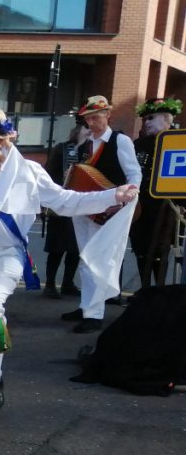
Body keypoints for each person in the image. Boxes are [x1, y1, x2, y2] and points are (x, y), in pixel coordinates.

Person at [0, 106, 138, 423]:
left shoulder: (27, 173)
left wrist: (114, 195)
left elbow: (67, 200)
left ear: (5, 139)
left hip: (6, 255)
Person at [62, 95, 142, 332]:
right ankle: (87, 306)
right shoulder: (87, 143)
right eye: (89, 118)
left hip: (109, 208)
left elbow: (134, 173)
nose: (93, 122)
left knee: (100, 259)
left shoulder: (120, 141)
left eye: (97, 117)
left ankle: (95, 314)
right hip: (87, 208)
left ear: (108, 115)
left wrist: (128, 196)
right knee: (86, 257)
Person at [131, 97, 182, 287]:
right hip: (142, 206)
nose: (147, 122)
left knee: (162, 250)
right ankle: (145, 289)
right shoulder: (139, 144)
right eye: (145, 119)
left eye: (151, 118)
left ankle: (159, 289)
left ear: (166, 118)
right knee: (140, 248)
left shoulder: (180, 140)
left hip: (169, 207)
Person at [42, 119, 89, 298]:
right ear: (77, 129)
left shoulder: (92, 150)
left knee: (75, 248)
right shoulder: (62, 148)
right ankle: (50, 283)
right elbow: (48, 174)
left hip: (81, 204)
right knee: (56, 247)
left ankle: (68, 282)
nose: (89, 131)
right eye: (86, 128)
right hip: (61, 203)